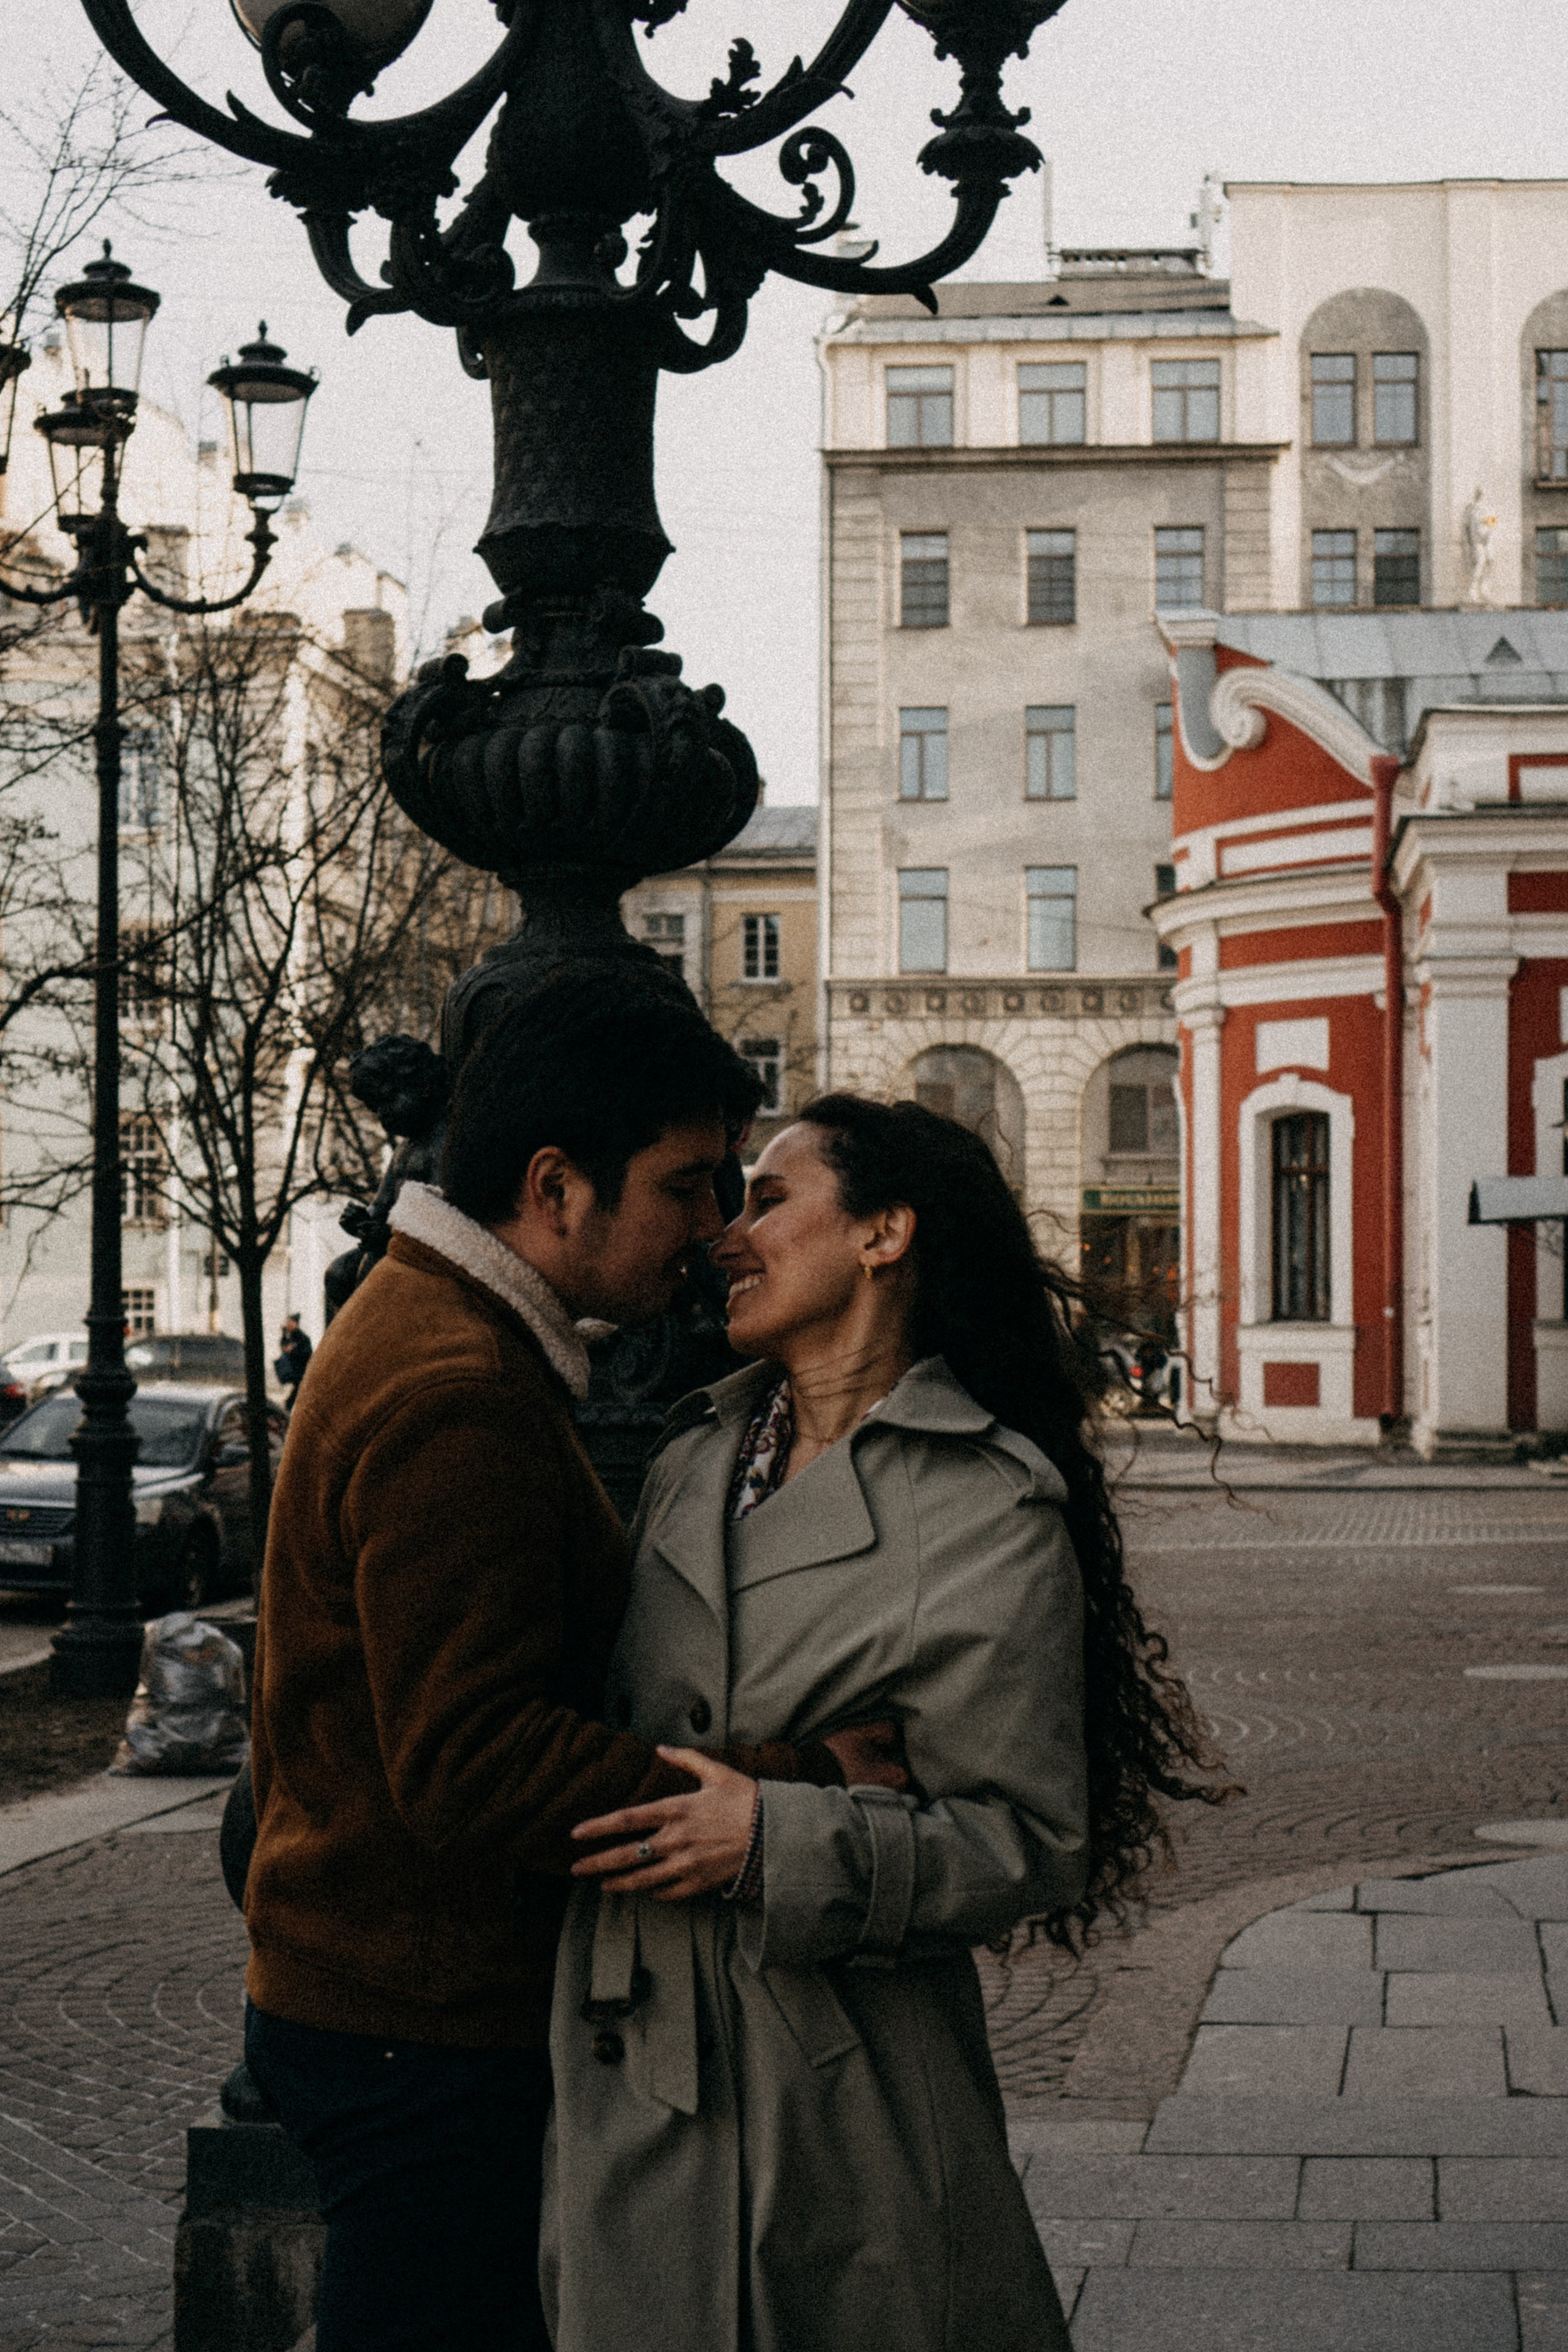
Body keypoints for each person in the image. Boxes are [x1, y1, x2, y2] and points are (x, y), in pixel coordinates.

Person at [241, 979, 901, 2352]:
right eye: (681, 1184)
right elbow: (472, 1766)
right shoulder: (457, 1390)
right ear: (555, 1186)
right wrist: (790, 1782)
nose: (712, 1227)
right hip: (415, 2030)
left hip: (378, 2004)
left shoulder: (436, 1325)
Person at [548, 1094, 1226, 2352]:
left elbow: (1026, 1841)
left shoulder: (983, 1504)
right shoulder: (695, 1451)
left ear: (883, 1234)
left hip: (836, 2091)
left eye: (769, 1199)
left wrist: (774, 1838)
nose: (724, 1236)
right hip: (627, 2064)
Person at [274, 1313, 311, 1403]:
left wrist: (293, 1351)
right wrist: (283, 1334)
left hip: (301, 1371)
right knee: (297, 1394)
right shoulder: (288, 1337)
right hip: (294, 1372)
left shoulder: (303, 1338)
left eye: (290, 1322)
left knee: (296, 1396)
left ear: (295, 1324)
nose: (288, 1325)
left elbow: (307, 1353)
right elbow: (284, 1348)